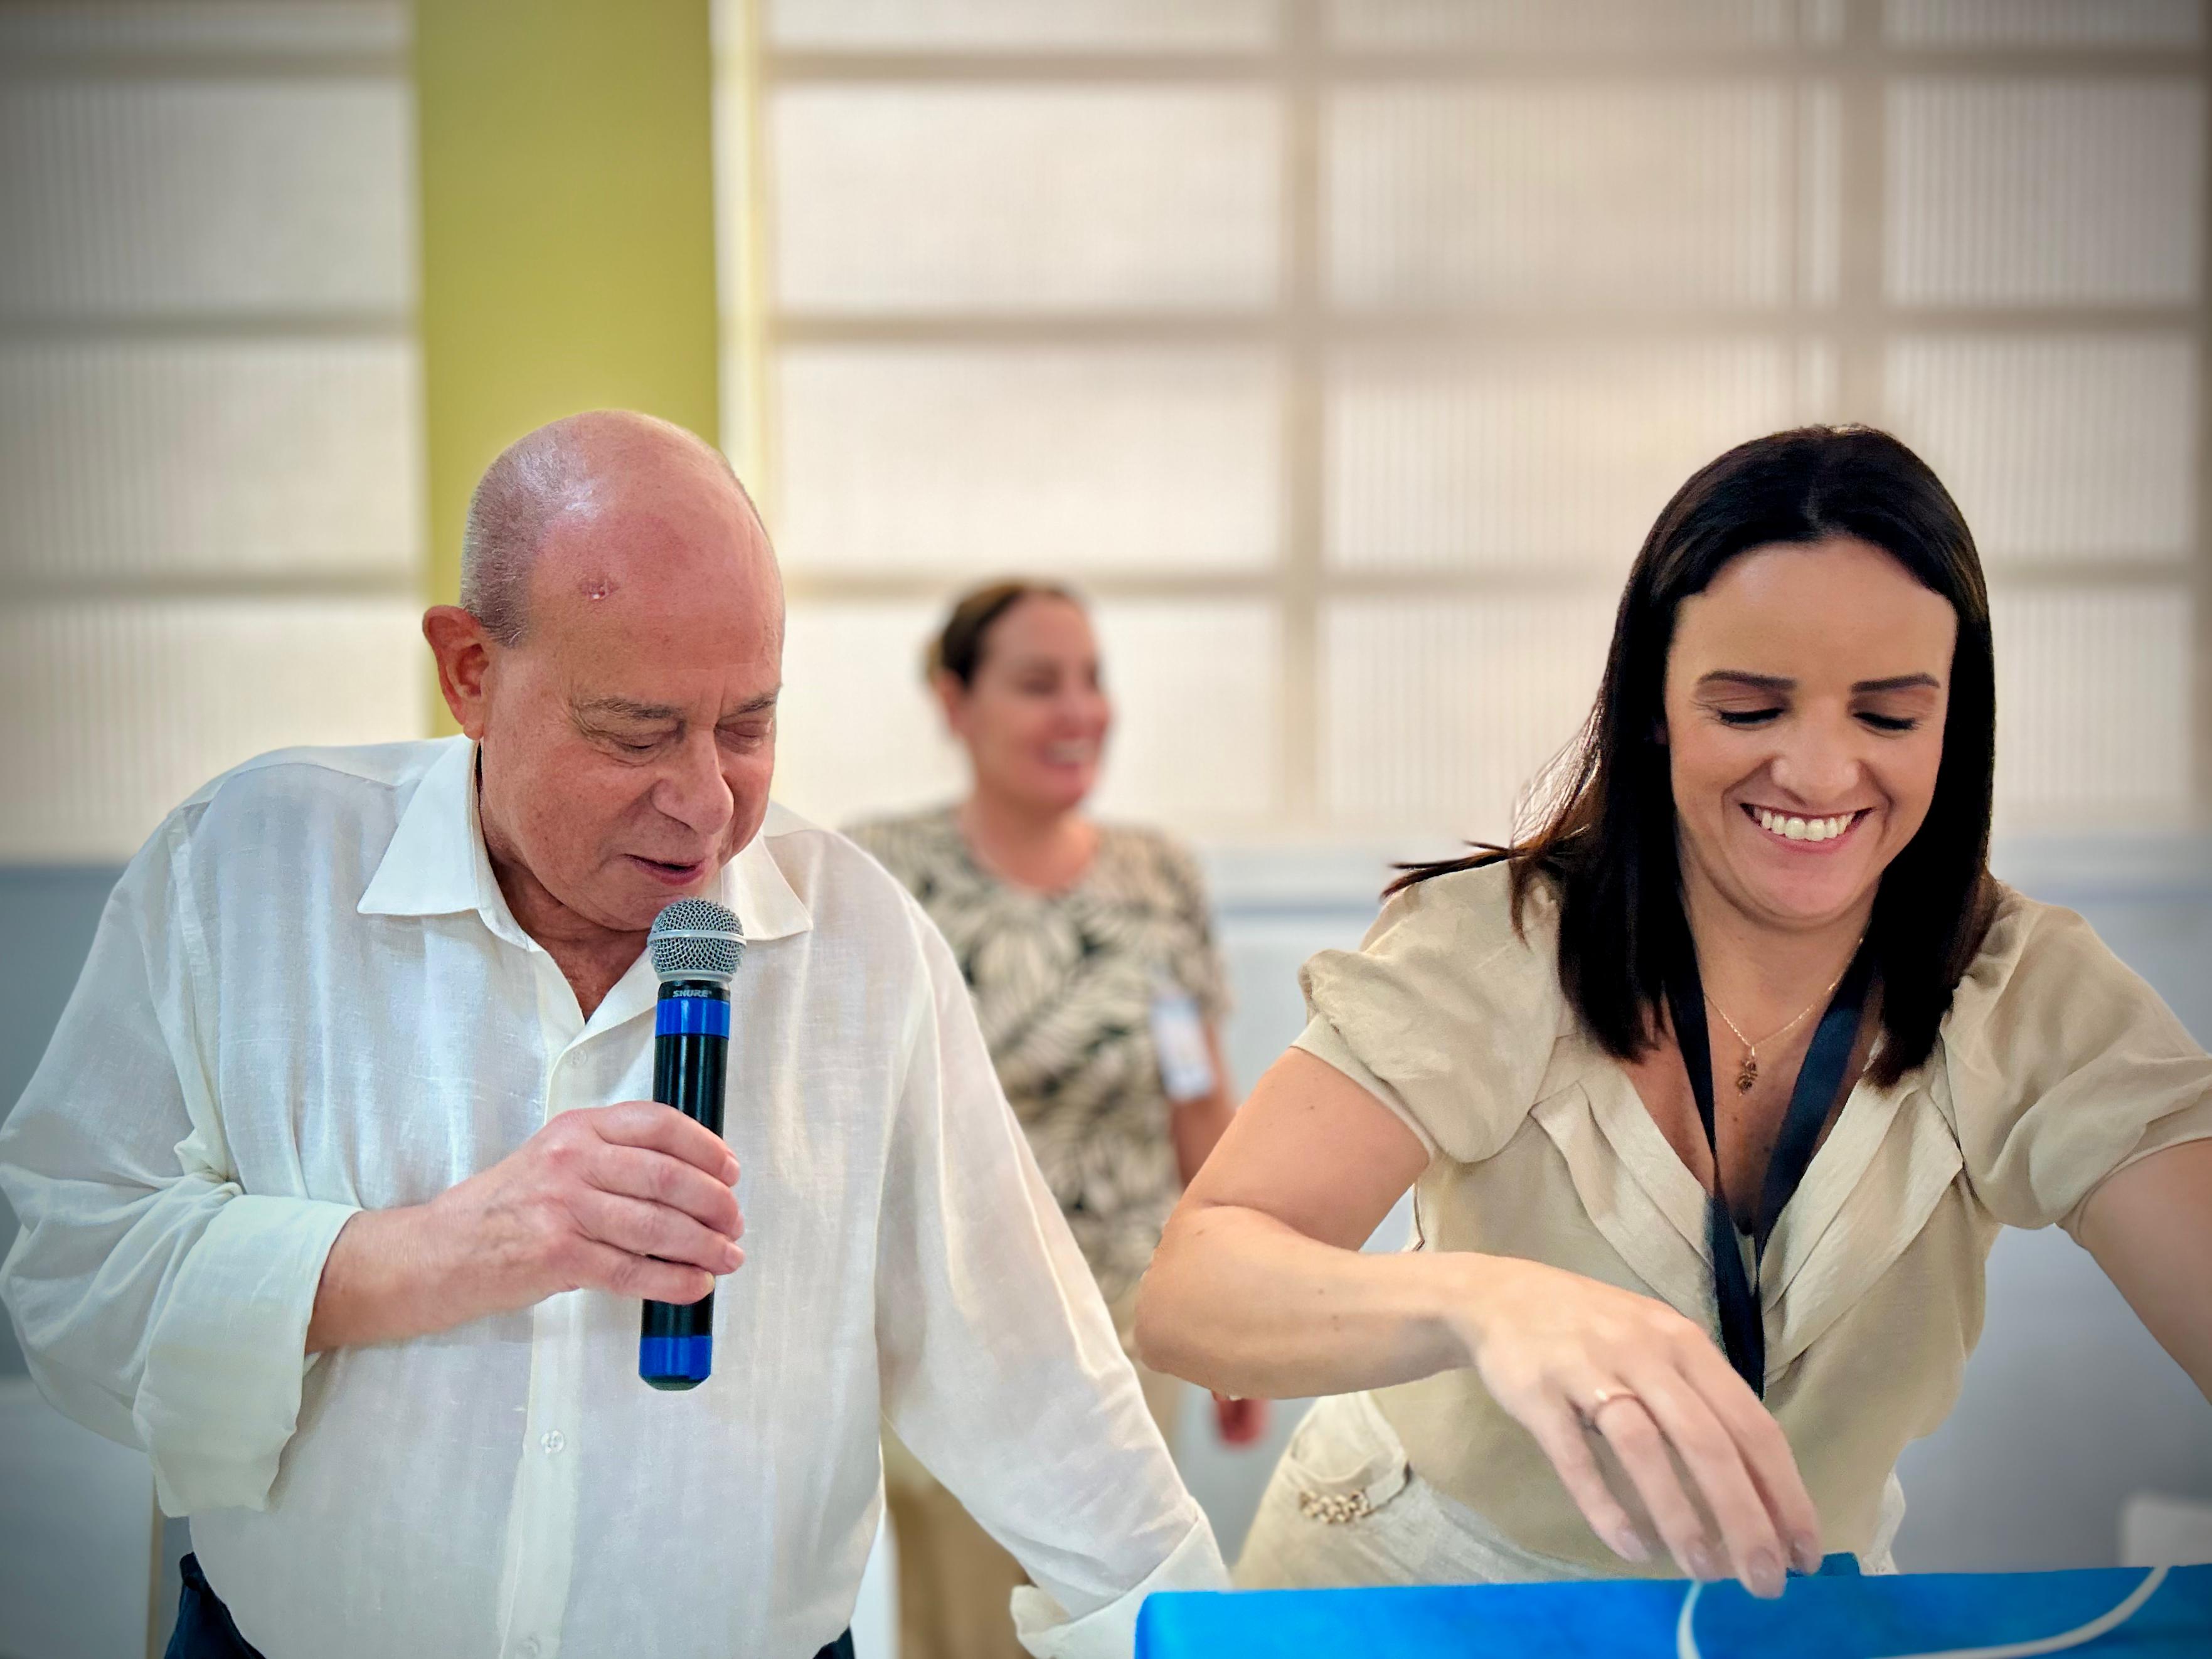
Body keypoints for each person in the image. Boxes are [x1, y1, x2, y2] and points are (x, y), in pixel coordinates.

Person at [0, 412, 1224, 1658]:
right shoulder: (250, 866)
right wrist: (428, 1253)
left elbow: (1025, 1363)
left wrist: (1192, 1627)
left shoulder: (860, 942)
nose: (704, 803)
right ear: (469, 672)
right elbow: (71, 1280)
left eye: (746, 726)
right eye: (634, 733)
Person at [1134, 426, 2212, 1599]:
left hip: (1779, 1607)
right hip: (1411, 1577)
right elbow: (1194, 1291)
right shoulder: (1500, 945)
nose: (1818, 774)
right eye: (1748, 709)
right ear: (1651, 702)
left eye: (1889, 718)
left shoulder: (2027, 989)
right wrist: (1485, 1302)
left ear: (1956, 722)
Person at [847, 581, 1260, 1659]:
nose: (1078, 711)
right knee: (967, 1633)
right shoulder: (881, 872)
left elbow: (1198, 1107)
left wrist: (1239, 1320)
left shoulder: (1155, 875)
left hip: (1129, 1327)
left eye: (1090, 679)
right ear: (955, 701)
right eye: (1038, 683)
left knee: (1117, 1625)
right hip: (953, 1330)